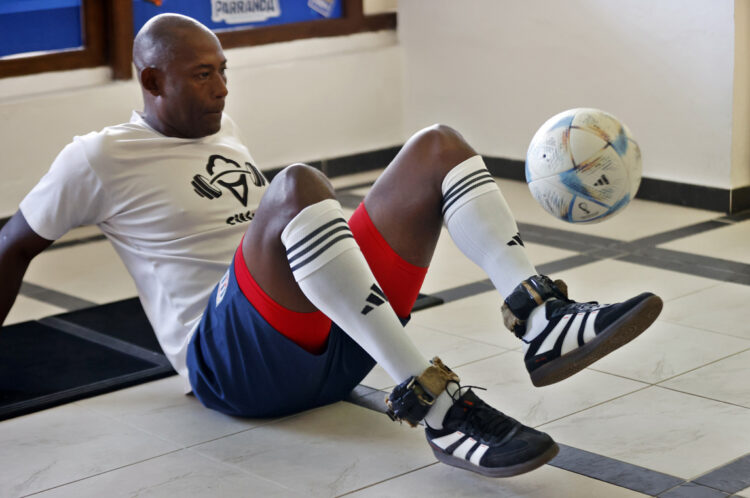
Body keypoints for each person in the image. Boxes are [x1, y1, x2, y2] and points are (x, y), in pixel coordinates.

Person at [0, 14, 662, 478]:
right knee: (298, 185)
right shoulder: (97, 157)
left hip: (338, 349)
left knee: (438, 144)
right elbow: (13, 245)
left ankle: (541, 318)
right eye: (204, 75)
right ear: (151, 82)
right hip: (232, 372)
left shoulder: (220, 127)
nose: (223, 89)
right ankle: (438, 407)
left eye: (225, 71)